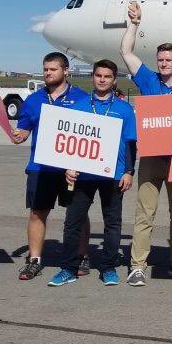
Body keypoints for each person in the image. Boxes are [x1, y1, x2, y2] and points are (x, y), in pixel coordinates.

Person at [120, 1, 172, 285]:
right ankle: (138, 264)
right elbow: (126, 52)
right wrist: (134, 24)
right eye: (160, 59)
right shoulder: (149, 81)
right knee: (145, 213)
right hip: (152, 158)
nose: (164, 64)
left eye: (168, 60)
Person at [49, 60, 137, 287]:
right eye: (98, 75)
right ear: (93, 77)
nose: (102, 80)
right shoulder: (78, 106)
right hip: (83, 174)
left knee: (113, 223)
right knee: (72, 222)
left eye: (107, 76)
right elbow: (69, 140)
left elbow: (130, 144)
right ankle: (68, 267)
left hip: (113, 174)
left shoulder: (124, 109)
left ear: (114, 79)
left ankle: (108, 267)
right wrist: (67, 166)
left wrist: (129, 171)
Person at [12, 52, 89, 280]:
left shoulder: (82, 98)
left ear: (65, 70)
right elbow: (24, 131)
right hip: (40, 169)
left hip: (71, 170)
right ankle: (34, 260)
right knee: (37, 214)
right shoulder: (34, 100)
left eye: (53, 69)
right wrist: (18, 135)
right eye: (45, 69)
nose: (48, 73)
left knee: (78, 214)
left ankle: (81, 255)